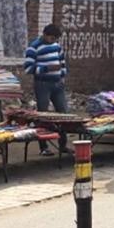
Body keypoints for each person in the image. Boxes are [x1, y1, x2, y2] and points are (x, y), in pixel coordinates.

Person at [23, 23, 68, 156]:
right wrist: (46, 69)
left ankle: (63, 145)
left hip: (57, 84)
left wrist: (62, 74)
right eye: (51, 38)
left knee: (63, 114)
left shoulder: (57, 46)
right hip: (43, 84)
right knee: (43, 115)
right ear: (45, 35)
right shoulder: (34, 47)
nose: (53, 41)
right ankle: (43, 147)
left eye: (55, 39)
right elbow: (28, 68)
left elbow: (62, 62)